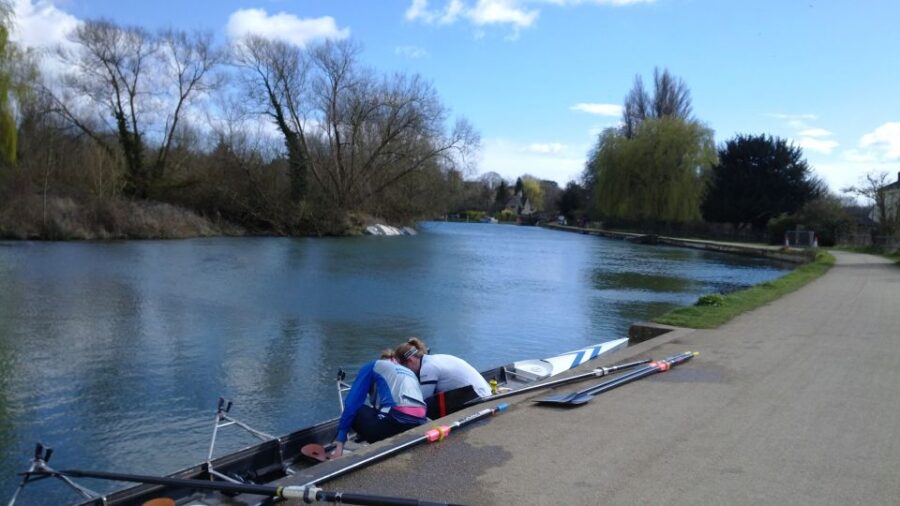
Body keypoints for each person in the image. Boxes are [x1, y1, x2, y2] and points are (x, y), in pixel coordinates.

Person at [330, 350, 427, 458]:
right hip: (420, 422)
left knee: (357, 410)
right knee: (381, 410)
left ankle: (340, 449)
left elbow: (352, 404)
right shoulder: (409, 372)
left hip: (396, 421)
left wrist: (340, 443)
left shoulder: (372, 366)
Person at [394, 337, 492, 400]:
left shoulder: (428, 368)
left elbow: (422, 399)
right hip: (482, 391)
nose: (405, 371)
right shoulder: (431, 359)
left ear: (410, 360)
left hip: (480, 397)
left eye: (403, 367)